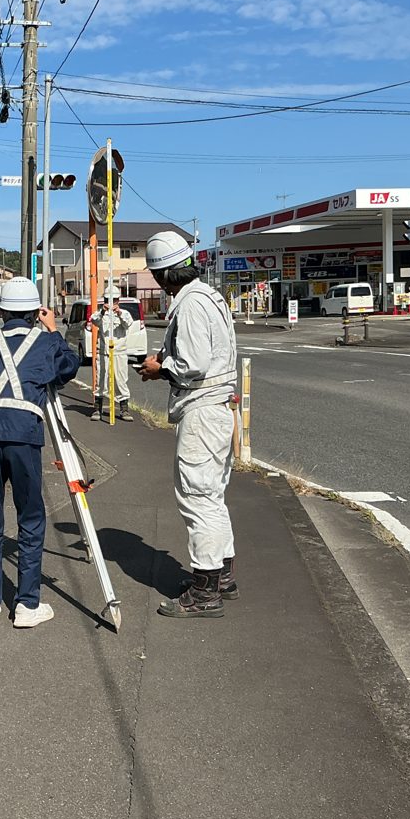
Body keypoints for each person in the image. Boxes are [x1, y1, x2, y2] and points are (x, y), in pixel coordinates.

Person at [0, 276, 80, 628]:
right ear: (33, 312)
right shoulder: (44, 343)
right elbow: (69, 366)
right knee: (30, 518)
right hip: (25, 436)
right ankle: (27, 604)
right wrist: (54, 329)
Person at [138, 231, 239, 619]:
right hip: (216, 408)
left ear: (164, 275)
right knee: (212, 497)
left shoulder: (191, 304)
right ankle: (222, 577)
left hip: (203, 410)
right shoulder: (208, 296)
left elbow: (193, 364)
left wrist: (159, 366)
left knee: (198, 499)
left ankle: (205, 591)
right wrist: (165, 359)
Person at [90, 285, 134, 422]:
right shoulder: (99, 314)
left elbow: (128, 324)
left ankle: (124, 409)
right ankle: (97, 408)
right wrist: (103, 312)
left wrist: (119, 313)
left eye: (114, 300)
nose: (111, 303)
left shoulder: (124, 313)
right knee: (101, 380)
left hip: (119, 352)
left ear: (118, 300)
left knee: (120, 380)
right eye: (108, 300)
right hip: (103, 352)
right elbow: (94, 321)